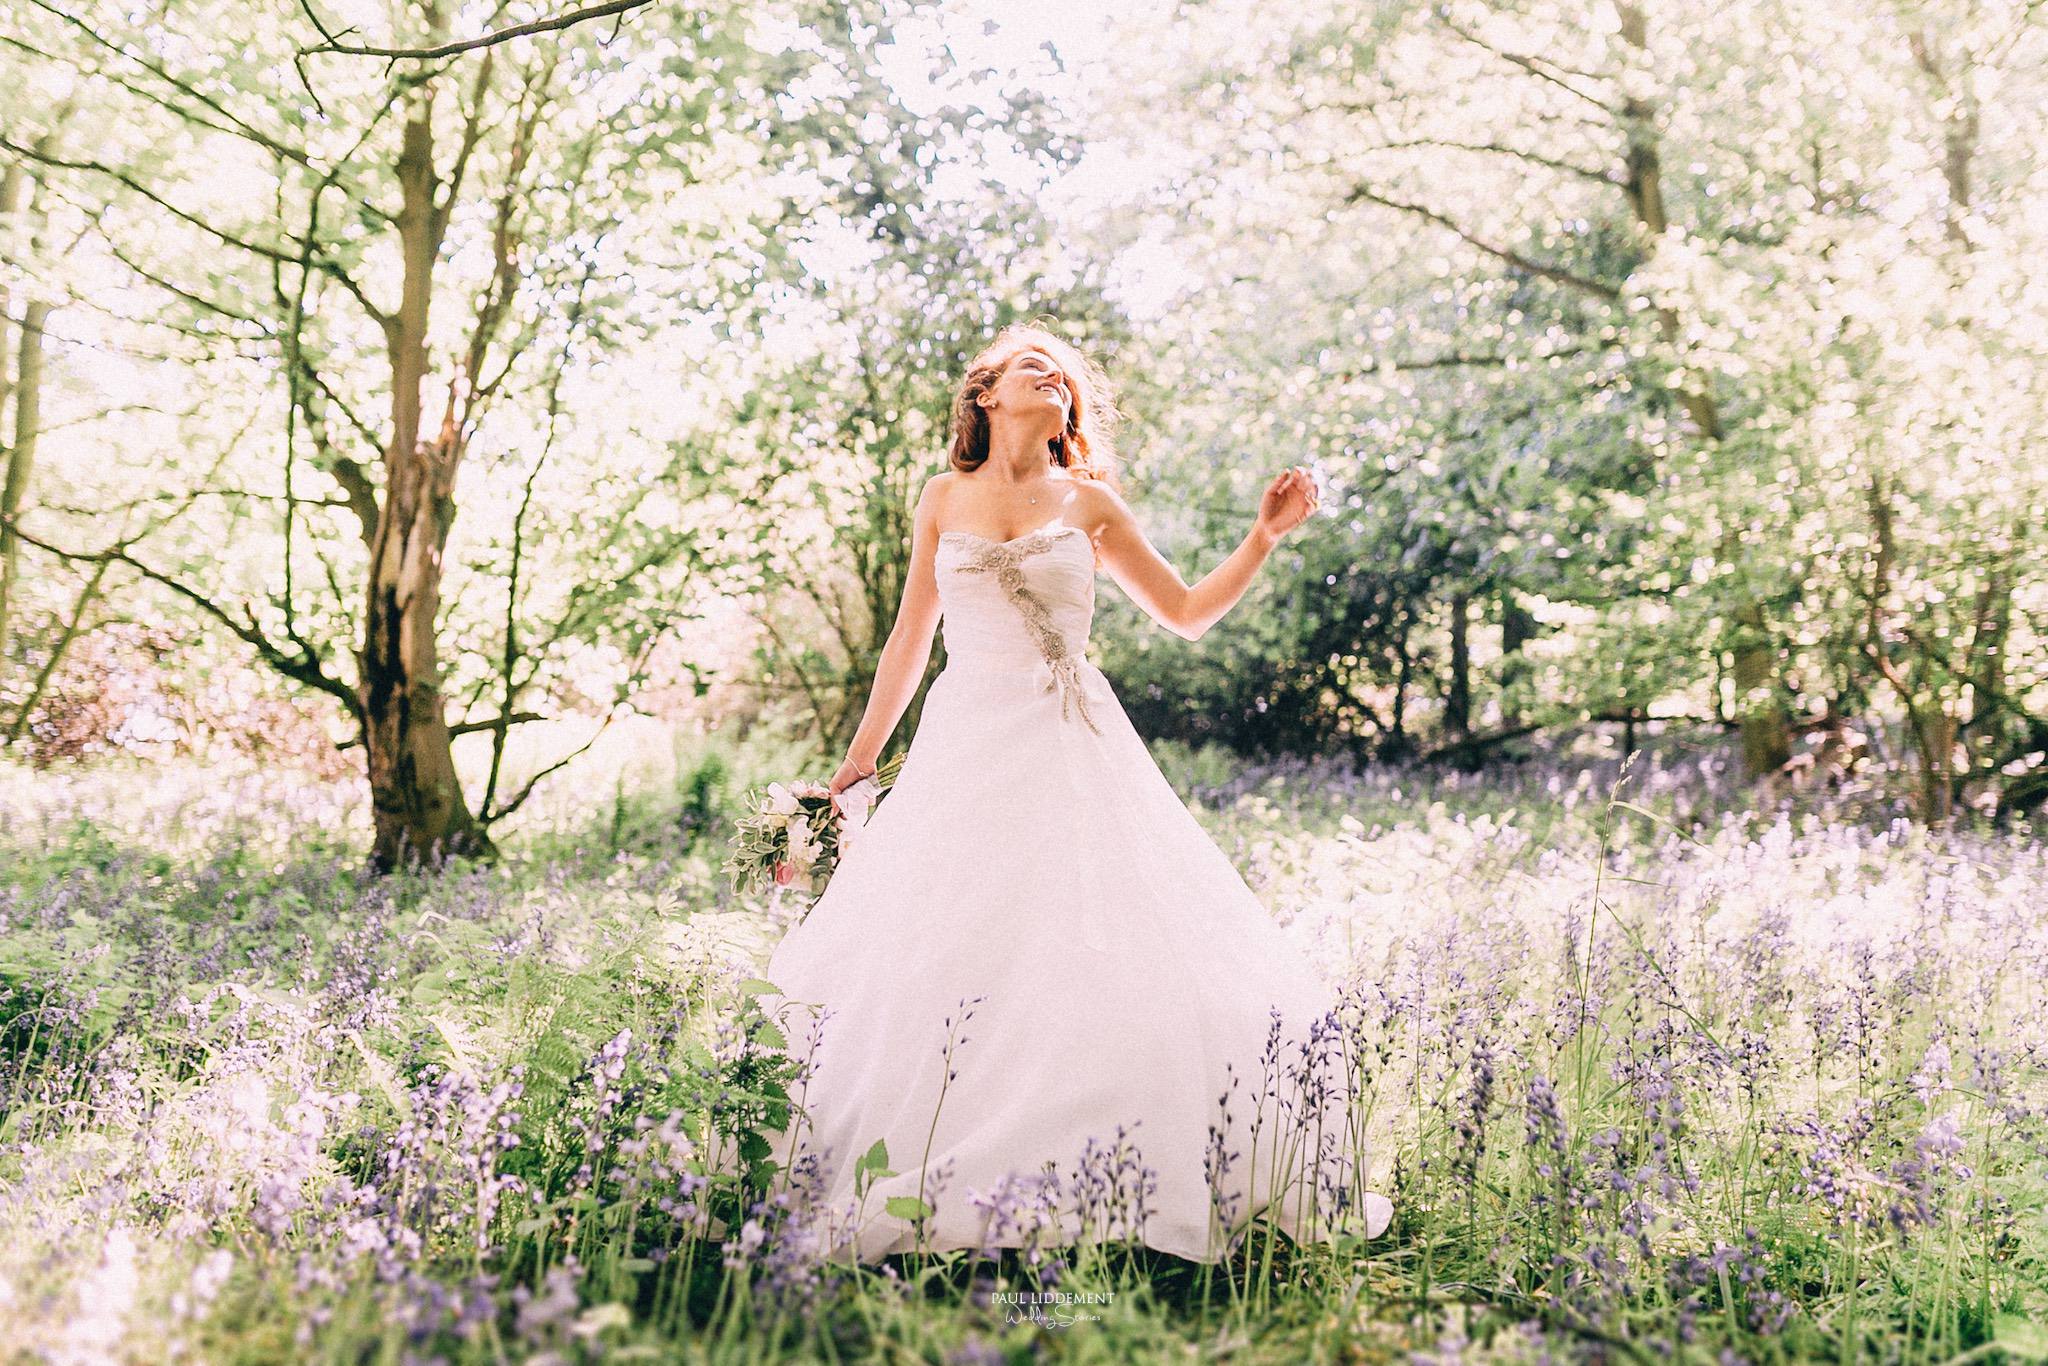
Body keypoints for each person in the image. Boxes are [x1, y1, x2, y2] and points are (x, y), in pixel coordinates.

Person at [752, 320, 1392, 1265]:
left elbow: (1183, 614)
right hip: (965, 742)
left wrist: (1262, 538)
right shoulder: (942, 497)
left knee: (1093, 934)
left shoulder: (1089, 504)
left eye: (1060, 373)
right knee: (942, 937)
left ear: (1065, 409)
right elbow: (907, 641)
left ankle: (1111, 1162)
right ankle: (918, 1155)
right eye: (1028, 366)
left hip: (1070, 740)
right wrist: (857, 764)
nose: (1048, 374)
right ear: (987, 397)